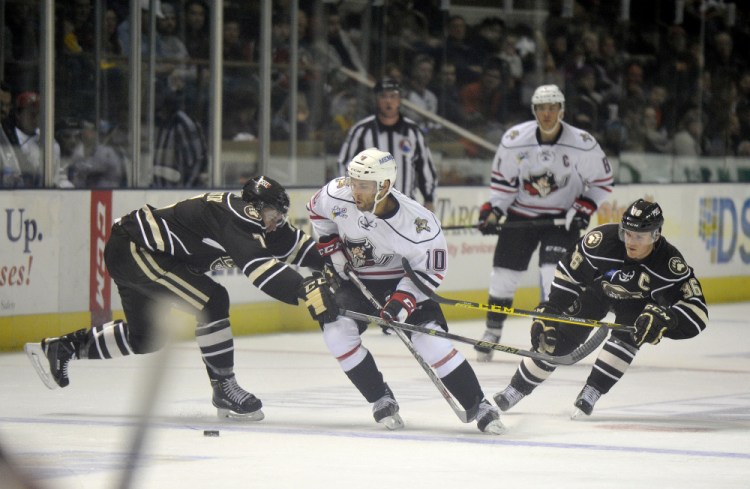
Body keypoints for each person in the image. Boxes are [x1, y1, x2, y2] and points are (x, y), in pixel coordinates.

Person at [26, 176, 336, 420]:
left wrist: (342, 265)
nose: (276, 222)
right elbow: (260, 269)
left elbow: (297, 246)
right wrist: (303, 288)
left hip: (137, 249)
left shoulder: (261, 221)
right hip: (137, 249)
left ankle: (63, 347)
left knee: (146, 339)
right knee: (211, 300)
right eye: (272, 215)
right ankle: (224, 386)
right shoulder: (239, 216)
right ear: (254, 207)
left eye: (279, 216)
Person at [307, 147, 503, 434]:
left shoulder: (418, 223)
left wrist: (403, 301)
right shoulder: (338, 193)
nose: (354, 190)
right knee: (336, 334)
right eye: (352, 181)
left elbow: (431, 271)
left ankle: (479, 403)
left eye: (362, 185)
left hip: (401, 282)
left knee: (431, 343)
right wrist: (332, 248)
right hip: (356, 281)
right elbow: (316, 212)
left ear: (384, 186)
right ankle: (380, 397)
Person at [494, 199, 709, 416]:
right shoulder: (601, 241)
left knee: (632, 333)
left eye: (640, 236)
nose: (631, 241)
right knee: (557, 339)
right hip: (597, 292)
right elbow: (569, 271)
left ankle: (592, 391)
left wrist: (666, 319)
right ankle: (514, 390)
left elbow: (698, 313)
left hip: (637, 305)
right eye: (627, 233)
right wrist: (552, 309)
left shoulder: (669, 264)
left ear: (656, 235)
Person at [474, 84, 614, 362]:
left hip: (560, 220)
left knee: (554, 276)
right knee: (503, 276)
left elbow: (602, 182)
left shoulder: (582, 143)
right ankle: (492, 332)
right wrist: (492, 210)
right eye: (541, 108)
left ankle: (552, 334)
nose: (547, 113)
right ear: (534, 110)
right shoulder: (515, 139)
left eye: (552, 108)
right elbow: (503, 185)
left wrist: (583, 207)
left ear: (562, 110)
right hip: (521, 215)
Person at [337, 78, 437, 211]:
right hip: (370, 210)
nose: (388, 101)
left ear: (399, 99)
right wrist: (350, 196)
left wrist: (429, 199)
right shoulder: (361, 131)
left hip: (405, 208)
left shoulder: (413, 132)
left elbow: (425, 168)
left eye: (393, 96)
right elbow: (345, 164)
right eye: (383, 96)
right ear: (376, 100)